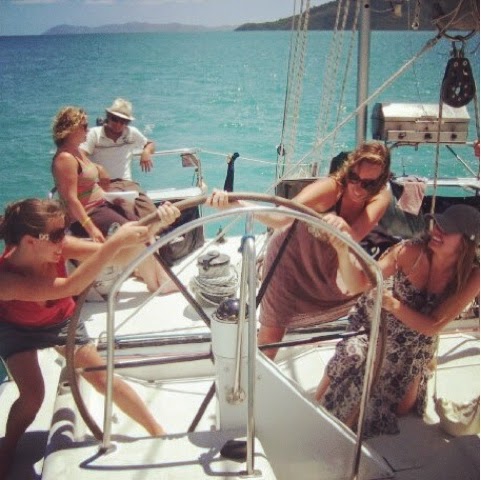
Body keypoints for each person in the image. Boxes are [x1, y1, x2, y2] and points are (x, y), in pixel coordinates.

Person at [0, 197, 181, 479]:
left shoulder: (59, 246)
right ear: (30, 241)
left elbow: (119, 256)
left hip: (60, 321)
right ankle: (7, 448)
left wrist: (157, 223)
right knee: (32, 396)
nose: (63, 239)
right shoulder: (4, 279)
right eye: (57, 234)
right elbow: (70, 286)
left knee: (102, 378)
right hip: (16, 328)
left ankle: (158, 433)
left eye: (64, 230)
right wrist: (114, 242)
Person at [206, 141, 392, 359]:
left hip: (323, 268)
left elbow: (354, 237)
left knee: (376, 297)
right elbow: (278, 218)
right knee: (271, 338)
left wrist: (340, 228)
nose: (358, 188)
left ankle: (367, 364)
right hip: (288, 261)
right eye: (354, 178)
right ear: (348, 170)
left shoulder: (381, 197)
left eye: (368, 184)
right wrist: (236, 204)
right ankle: (253, 374)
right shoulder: (330, 189)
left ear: (381, 182)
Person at [314, 204, 480, 438]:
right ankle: (315, 403)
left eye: (447, 229)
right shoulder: (409, 252)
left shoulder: (473, 276)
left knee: (401, 408)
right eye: (437, 224)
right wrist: (342, 250)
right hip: (376, 324)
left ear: (466, 242)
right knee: (352, 355)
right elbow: (357, 284)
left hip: (415, 340)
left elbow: (433, 326)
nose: (437, 230)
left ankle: (421, 370)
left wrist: (393, 304)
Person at [51, 105, 177, 294]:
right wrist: (91, 229)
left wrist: (106, 188)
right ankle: (155, 283)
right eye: (84, 126)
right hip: (89, 214)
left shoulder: (77, 152)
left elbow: (89, 180)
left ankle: (158, 277)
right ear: (72, 129)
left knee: (144, 226)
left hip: (102, 205)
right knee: (139, 233)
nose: (88, 129)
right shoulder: (65, 159)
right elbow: (71, 200)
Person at [80, 98, 158, 220]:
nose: (118, 124)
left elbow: (150, 144)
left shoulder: (131, 133)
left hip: (128, 183)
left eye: (123, 121)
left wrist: (146, 151)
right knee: (126, 210)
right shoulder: (95, 134)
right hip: (105, 184)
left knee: (151, 211)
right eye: (115, 119)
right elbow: (79, 156)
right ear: (108, 117)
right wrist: (98, 169)